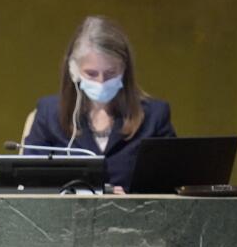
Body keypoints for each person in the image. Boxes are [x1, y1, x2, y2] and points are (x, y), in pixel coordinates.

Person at [22, 15, 175, 191]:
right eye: (92, 74)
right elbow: (29, 186)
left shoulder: (155, 116)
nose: (101, 82)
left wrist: (134, 203)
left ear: (124, 70)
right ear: (74, 71)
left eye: (110, 73)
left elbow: (170, 189)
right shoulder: (48, 114)